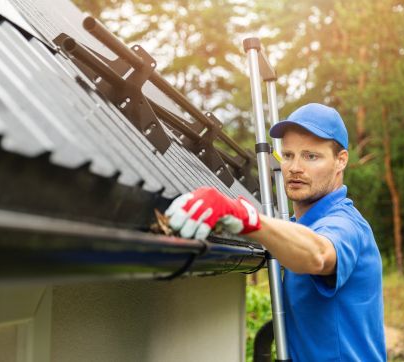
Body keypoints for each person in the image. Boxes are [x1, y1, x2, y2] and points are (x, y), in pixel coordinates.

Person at [165, 103, 386, 361]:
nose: (295, 167)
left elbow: (319, 254)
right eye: (289, 155)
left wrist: (245, 217)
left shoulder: (345, 224)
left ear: (341, 160)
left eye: (311, 156)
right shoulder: (298, 226)